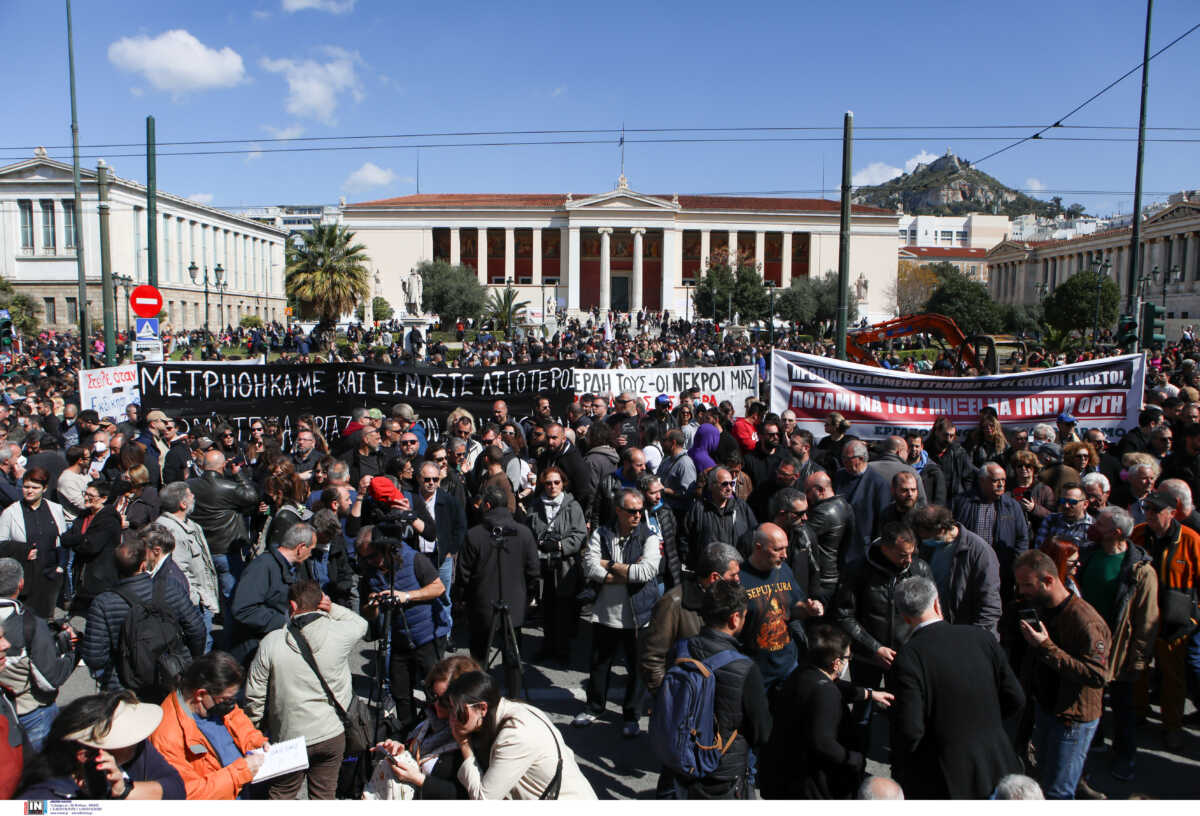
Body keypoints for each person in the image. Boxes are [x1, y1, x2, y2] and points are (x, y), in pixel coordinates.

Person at [889, 576, 1025, 799]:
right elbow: (1016, 698)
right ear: (936, 603)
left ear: (904, 616)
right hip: (998, 762)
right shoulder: (981, 638)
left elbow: (910, 729)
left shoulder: (909, 657)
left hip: (947, 777)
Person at [243, 579, 368, 801]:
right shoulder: (340, 633)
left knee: (282, 795)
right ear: (321, 603)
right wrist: (333, 607)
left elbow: (255, 695)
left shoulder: (271, 643)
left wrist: (255, 732)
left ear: (292, 606)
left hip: (289, 737)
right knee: (324, 795)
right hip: (332, 733)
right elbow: (360, 623)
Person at [1014, 549, 1111, 799]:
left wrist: (1045, 647)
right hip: (1047, 709)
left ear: (1048, 580)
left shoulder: (1085, 621)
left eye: (1027, 585)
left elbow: (1098, 675)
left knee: (1059, 791)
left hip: (1072, 718)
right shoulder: (1042, 607)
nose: (1022, 592)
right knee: (1046, 778)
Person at [662, 581, 770, 800]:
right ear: (734, 618)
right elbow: (762, 732)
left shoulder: (681, 649)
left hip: (680, 762)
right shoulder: (745, 668)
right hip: (722, 774)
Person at [760, 623, 891, 799]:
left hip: (784, 774)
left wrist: (869, 694)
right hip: (811, 787)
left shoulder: (804, 673)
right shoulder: (825, 693)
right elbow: (823, 743)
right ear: (837, 663)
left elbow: (836, 685)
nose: (848, 660)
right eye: (848, 657)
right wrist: (854, 760)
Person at [1078, 506, 1158, 781]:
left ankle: (1126, 756)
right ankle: (1095, 741)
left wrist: (1138, 658)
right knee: (1089, 697)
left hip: (1120, 650)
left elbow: (1147, 619)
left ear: (1115, 533)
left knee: (1122, 707)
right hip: (1089, 645)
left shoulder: (1141, 571)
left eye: (1099, 523)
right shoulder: (1088, 556)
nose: (1093, 525)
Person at [575, 488, 661, 735]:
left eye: (640, 511)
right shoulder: (602, 533)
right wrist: (624, 574)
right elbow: (590, 566)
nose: (637, 515)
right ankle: (594, 708)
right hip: (605, 614)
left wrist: (610, 566)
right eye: (632, 511)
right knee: (600, 664)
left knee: (636, 669)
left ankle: (631, 716)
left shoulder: (649, 537)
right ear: (619, 511)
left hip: (637, 616)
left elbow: (646, 572)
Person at [80, 532, 205, 692]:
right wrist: (187, 660)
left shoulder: (103, 603)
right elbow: (197, 630)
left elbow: (95, 657)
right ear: (143, 565)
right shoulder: (171, 588)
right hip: (173, 677)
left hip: (124, 686)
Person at [446, 669, 597, 799]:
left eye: (459, 712)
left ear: (483, 708)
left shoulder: (515, 736)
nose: (452, 718)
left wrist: (464, 744)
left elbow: (484, 800)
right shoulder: (515, 709)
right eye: (451, 709)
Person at [356, 524, 446, 733]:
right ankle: (409, 733)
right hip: (398, 638)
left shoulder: (414, 559)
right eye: (365, 558)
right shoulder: (369, 572)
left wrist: (407, 596)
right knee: (400, 692)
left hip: (426, 636)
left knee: (435, 690)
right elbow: (368, 614)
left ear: (386, 548)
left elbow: (438, 587)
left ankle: (438, 731)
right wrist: (372, 605)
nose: (371, 562)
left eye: (373, 556)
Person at [1129, 490, 1200, 751]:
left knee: (1173, 677)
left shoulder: (1190, 540)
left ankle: (1172, 726)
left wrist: (1194, 615)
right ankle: (1138, 711)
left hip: (1176, 619)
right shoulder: (1138, 534)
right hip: (1142, 615)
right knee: (1138, 666)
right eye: (1147, 510)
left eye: (1155, 511)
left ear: (1172, 513)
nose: (1149, 515)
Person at [17, 690, 186, 800]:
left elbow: (176, 789)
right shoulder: (40, 799)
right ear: (85, 755)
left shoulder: (136, 750)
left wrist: (124, 791)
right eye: (126, 738)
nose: (138, 740)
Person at [455, 484, 539, 698]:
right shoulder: (524, 533)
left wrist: (462, 600)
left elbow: (463, 574)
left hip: (481, 606)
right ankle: (515, 697)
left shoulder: (474, 535)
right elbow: (533, 571)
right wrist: (527, 597)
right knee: (513, 656)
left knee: (480, 658)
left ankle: (479, 697)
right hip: (515, 606)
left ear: (488, 505)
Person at [148, 651, 269, 800]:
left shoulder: (217, 703)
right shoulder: (166, 735)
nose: (231, 704)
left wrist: (257, 744)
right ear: (200, 694)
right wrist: (241, 772)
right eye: (226, 699)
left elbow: (240, 722)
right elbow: (188, 793)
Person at [372, 654, 481, 799]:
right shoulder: (430, 714)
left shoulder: (472, 742)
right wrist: (396, 744)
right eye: (433, 695)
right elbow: (404, 733)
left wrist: (419, 780)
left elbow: (467, 796)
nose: (436, 705)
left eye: (444, 701)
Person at [0, 557, 78, 752]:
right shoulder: (30, 623)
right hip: (29, 712)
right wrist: (73, 654)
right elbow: (51, 678)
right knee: (38, 774)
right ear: (21, 584)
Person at [642, 542, 741, 694]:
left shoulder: (730, 601)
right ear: (715, 577)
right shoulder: (673, 603)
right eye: (733, 575)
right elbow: (653, 658)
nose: (738, 580)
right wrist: (668, 697)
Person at [739, 523, 823, 693]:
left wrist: (809, 609)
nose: (785, 555)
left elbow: (794, 608)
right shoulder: (739, 579)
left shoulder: (783, 570)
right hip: (756, 671)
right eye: (778, 549)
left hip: (787, 665)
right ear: (758, 548)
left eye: (786, 548)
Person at [907, 504, 1002, 637]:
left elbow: (990, 605)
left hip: (967, 633)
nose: (925, 541)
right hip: (938, 629)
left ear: (941, 529)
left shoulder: (978, 551)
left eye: (927, 537)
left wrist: (976, 640)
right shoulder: (928, 548)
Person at [229, 523, 318, 665]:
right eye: (311, 549)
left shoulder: (290, 567)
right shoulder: (262, 566)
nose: (311, 554)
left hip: (270, 644)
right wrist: (286, 622)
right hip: (252, 652)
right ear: (301, 548)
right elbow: (244, 610)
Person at [527, 466, 587, 663]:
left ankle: (562, 649)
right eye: (548, 483)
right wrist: (539, 546)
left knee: (563, 609)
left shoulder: (573, 506)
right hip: (542, 564)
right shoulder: (535, 506)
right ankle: (547, 646)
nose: (552, 486)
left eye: (556, 482)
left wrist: (560, 545)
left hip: (565, 565)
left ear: (563, 483)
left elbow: (580, 535)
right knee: (547, 607)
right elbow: (529, 534)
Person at [186, 450, 259, 604]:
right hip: (225, 550)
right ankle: (230, 626)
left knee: (206, 595)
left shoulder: (189, 485)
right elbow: (252, 496)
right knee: (231, 595)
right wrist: (239, 474)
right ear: (223, 465)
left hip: (201, 547)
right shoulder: (228, 487)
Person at [155, 482, 220, 650]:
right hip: (193, 604)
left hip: (200, 600)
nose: (194, 497)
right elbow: (179, 571)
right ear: (182, 504)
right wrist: (196, 600)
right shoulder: (171, 531)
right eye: (190, 494)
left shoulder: (190, 526)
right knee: (198, 648)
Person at [0, 467, 68, 619]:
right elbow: (1, 544)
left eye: (35, 488)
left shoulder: (55, 509)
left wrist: (60, 567)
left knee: (45, 620)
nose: (29, 491)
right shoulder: (11, 512)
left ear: (44, 488)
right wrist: (23, 550)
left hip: (49, 575)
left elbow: (62, 541)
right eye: (26, 487)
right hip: (25, 578)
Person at [60, 482, 122, 614]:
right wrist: (82, 538)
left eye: (91, 496)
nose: (86, 498)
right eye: (85, 494)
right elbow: (65, 538)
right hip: (82, 573)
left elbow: (91, 546)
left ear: (104, 498)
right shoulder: (84, 515)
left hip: (100, 576)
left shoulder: (109, 520)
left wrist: (78, 539)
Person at [679, 467, 757, 570]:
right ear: (711, 485)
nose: (729, 488)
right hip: (709, 574)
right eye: (724, 484)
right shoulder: (698, 509)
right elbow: (684, 539)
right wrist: (695, 566)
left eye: (731, 484)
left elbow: (754, 535)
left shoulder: (741, 507)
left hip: (738, 571)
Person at [833, 440, 890, 565]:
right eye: (842, 458)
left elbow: (882, 521)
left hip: (862, 549)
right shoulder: (839, 476)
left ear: (860, 458)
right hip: (839, 545)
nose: (843, 461)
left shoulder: (878, 484)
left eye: (847, 458)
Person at [804, 471, 856, 604]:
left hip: (823, 580)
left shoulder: (823, 513)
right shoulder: (844, 505)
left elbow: (802, 537)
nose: (806, 496)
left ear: (820, 490)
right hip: (836, 576)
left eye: (808, 491)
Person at [1033, 482, 1094, 551]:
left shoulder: (1092, 527)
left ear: (1085, 504)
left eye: (1072, 502)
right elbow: (1039, 549)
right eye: (1063, 500)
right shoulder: (1051, 520)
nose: (1066, 505)